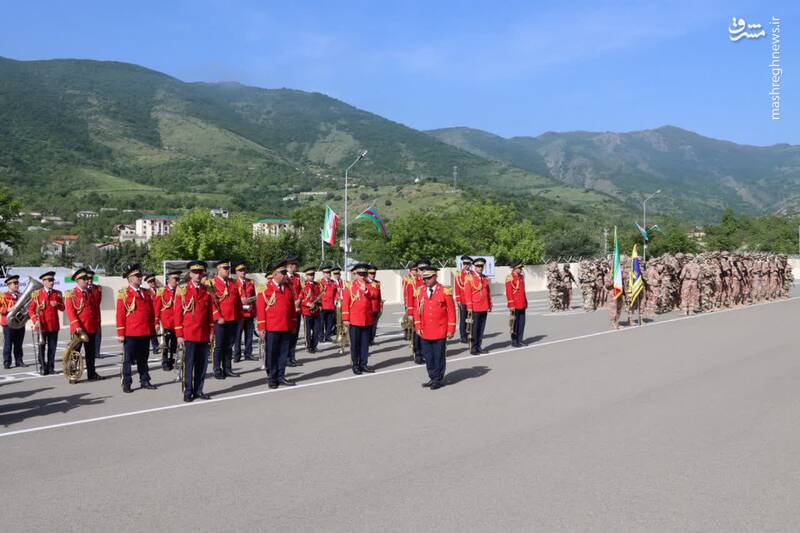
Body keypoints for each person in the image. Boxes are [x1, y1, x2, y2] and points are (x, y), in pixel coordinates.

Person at [175, 261, 213, 402]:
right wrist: (179, 335)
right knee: (189, 365)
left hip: (203, 334)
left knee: (202, 365)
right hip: (189, 334)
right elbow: (177, 314)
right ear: (190, 274)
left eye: (200, 272)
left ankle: (198, 390)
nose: (198, 275)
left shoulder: (207, 290)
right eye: (195, 272)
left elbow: (209, 314)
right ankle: (188, 391)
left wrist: (211, 331)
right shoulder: (183, 290)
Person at [414, 266, 456, 390]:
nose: (426, 281)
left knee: (439, 356)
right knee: (428, 356)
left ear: (435, 276)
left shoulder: (444, 290)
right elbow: (417, 311)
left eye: (429, 278)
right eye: (424, 278)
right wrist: (418, 326)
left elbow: (451, 311)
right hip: (425, 330)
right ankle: (432, 377)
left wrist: (451, 329)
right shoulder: (420, 291)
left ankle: (438, 379)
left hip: (440, 329)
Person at [256, 260, 296, 389]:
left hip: (285, 326)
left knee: (283, 353)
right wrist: (261, 328)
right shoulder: (265, 289)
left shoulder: (288, 288)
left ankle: (281, 375)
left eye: (285, 273)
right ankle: (272, 378)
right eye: (282, 273)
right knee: (272, 353)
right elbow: (261, 310)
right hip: (272, 327)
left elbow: (291, 308)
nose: (284, 275)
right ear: (274, 275)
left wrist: (293, 323)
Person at [116, 264, 156, 392]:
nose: (140, 278)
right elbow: (120, 315)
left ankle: (145, 380)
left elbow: (151, 313)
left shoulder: (146, 292)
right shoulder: (124, 293)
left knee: (143, 359)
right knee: (128, 360)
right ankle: (127, 383)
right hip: (131, 332)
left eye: (140, 275)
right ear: (130, 278)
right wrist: (121, 333)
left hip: (144, 332)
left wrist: (152, 329)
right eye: (137, 276)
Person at [65, 269, 102, 380]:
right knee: (75, 353)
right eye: (84, 279)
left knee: (90, 353)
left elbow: (95, 309)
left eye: (87, 278)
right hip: (78, 329)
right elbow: (71, 312)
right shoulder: (71, 294)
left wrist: (97, 324)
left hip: (90, 327)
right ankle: (73, 375)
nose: (87, 281)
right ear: (78, 280)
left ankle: (91, 373)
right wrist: (77, 327)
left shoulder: (91, 292)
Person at [28, 271, 64, 375]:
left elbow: (63, 308)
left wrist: (57, 304)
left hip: (53, 325)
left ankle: (51, 367)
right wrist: (35, 320)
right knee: (41, 347)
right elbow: (31, 310)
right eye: (49, 280)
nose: (52, 282)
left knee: (52, 348)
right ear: (44, 282)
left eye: (52, 280)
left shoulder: (57, 293)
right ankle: (43, 367)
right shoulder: (37, 294)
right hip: (42, 325)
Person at [210, 261, 242, 379]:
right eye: (224, 268)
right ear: (218, 269)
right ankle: (217, 369)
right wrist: (218, 316)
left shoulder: (232, 282)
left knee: (229, 346)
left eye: (228, 268)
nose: (227, 270)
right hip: (220, 320)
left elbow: (237, 301)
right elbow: (211, 303)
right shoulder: (212, 283)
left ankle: (228, 369)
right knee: (218, 346)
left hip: (232, 318)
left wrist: (240, 316)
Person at [342, 263, 375, 375]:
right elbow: (345, 303)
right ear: (355, 274)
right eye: (360, 274)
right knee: (355, 344)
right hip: (355, 319)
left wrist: (365, 290)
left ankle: (363, 364)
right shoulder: (350, 286)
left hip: (366, 319)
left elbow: (374, 296)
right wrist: (345, 318)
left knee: (365, 344)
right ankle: (355, 365)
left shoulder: (370, 285)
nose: (362, 276)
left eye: (364, 274)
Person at [464, 257, 491, 355]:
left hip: (484, 306)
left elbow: (487, 292)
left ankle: (479, 346)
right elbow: (467, 293)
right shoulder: (469, 277)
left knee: (481, 328)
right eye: (478, 266)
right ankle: (473, 347)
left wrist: (489, 304)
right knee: (474, 329)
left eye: (481, 266)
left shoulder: (485, 278)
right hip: (475, 307)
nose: (480, 268)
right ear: (474, 267)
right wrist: (469, 307)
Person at [155, 270, 181, 371]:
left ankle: (172, 360)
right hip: (165, 323)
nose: (177, 281)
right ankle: (165, 361)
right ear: (169, 279)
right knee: (165, 344)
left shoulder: (180, 291)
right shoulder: (162, 291)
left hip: (176, 323)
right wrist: (156, 322)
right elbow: (157, 308)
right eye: (175, 279)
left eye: (178, 279)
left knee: (174, 344)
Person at [233, 262, 256, 362]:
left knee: (249, 335)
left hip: (249, 312)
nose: (243, 272)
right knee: (238, 335)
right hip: (240, 313)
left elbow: (254, 296)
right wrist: (241, 301)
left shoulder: (250, 282)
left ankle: (248, 354)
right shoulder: (234, 283)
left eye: (244, 270)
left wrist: (250, 301)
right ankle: (237, 355)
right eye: (240, 271)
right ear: (236, 272)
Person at [1, 275, 26, 368]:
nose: (17, 285)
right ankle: (7, 362)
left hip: (19, 322)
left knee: (19, 343)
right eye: (14, 283)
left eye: (17, 283)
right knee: (8, 344)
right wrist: (7, 309)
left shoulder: (21, 295)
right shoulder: (3, 296)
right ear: (9, 285)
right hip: (8, 323)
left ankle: (19, 361)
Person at [505, 261, 528, 347]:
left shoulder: (521, 277)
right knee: (514, 323)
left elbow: (522, 291)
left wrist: (525, 301)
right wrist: (511, 304)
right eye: (519, 268)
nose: (521, 269)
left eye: (521, 268)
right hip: (515, 304)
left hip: (522, 303)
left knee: (522, 323)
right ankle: (514, 341)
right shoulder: (510, 277)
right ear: (515, 268)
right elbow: (509, 292)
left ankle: (520, 340)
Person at [285, 256, 303, 367]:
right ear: (289, 266)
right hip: (289, 310)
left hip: (297, 310)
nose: (294, 267)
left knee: (295, 335)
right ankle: (286, 358)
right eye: (293, 265)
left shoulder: (297, 277)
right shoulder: (284, 277)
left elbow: (301, 291)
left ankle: (292, 357)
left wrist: (299, 300)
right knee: (288, 335)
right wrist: (293, 303)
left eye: (295, 265)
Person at [300, 266, 322, 354]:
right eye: (309, 275)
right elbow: (301, 298)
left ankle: (314, 345)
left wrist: (319, 304)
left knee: (317, 329)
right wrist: (308, 304)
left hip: (316, 310)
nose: (312, 276)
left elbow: (319, 296)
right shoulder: (303, 285)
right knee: (308, 330)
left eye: (313, 274)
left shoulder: (317, 285)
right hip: (307, 311)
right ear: (306, 276)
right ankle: (309, 346)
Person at [454, 256, 473, 343]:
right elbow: (457, 287)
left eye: (468, 264)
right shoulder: (459, 274)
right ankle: (463, 336)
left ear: (470, 265)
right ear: (462, 264)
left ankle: (470, 333)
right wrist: (458, 299)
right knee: (463, 319)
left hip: (472, 300)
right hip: (463, 300)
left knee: (471, 318)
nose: (466, 265)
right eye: (465, 264)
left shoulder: (473, 274)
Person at [86, 270, 103, 358]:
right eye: (88, 278)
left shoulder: (98, 289)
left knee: (98, 335)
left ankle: (97, 353)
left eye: (91, 278)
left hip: (96, 315)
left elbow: (98, 302)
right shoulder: (83, 289)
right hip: (87, 317)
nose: (90, 280)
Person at [320, 266, 337, 342]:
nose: (328, 274)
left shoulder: (332, 282)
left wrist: (336, 300)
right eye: (327, 273)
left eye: (329, 273)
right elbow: (319, 294)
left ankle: (327, 335)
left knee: (329, 322)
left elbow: (335, 292)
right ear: (323, 274)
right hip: (323, 305)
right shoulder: (320, 282)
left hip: (331, 305)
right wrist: (319, 304)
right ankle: (321, 336)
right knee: (321, 323)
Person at [145, 274, 160, 355]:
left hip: (161, 313)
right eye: (150, 282)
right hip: (153, 313)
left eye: (153, 281)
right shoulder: (147, 292)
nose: (153, 283)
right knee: (152, 331)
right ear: (148, 283)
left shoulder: (160, 290)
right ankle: (155, 346)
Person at [367, 264, 383, 345]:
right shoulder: (365, 283)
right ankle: (367, 340)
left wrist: (380, 306)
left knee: (374, 325)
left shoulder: (377, 283)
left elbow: (379, 295)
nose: (373, 275)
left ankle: (371, 339)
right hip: (368, 307)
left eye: (374, 273)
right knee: (368, 325)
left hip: (375, 307)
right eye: (371, 273)